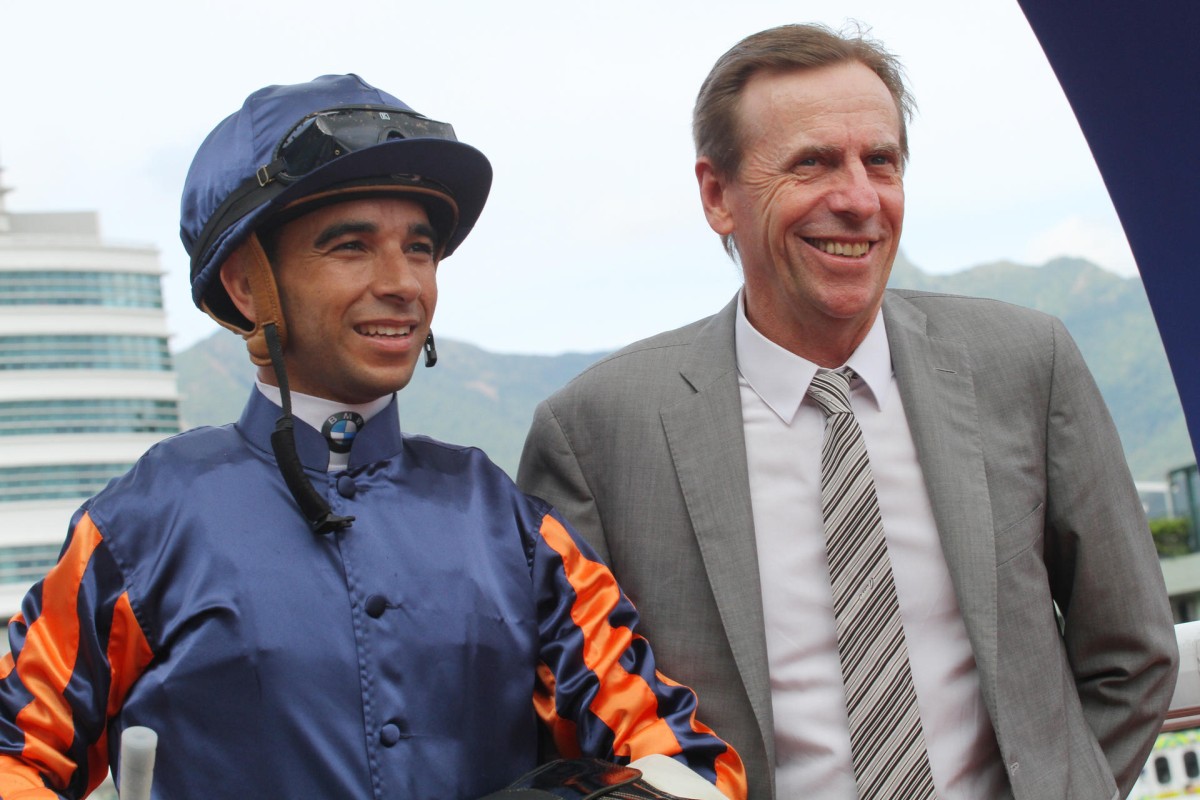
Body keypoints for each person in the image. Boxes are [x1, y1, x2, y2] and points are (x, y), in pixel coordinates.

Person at [0, 75, 747, 800]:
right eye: (351, 246)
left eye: (419, 248)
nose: (403, 282)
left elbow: (681, 761)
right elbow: (15, 754)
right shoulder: (146, 520)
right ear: (246, 284)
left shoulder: (508, 522)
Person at [518, 23, 1178, 800]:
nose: (859, 199)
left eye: (881, 162)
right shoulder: (595, 432)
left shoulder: (1026, 364)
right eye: (813, 163)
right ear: (717, 195)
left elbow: (1132, 654)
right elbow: (565, 723)